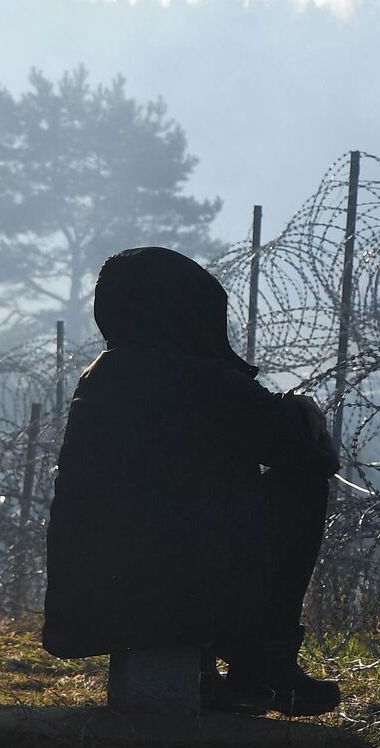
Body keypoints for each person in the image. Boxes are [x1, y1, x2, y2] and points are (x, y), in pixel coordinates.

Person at [41, 245, 343, 716]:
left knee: (186, 505)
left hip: (89, 604)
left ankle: (206, 671)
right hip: (180, 601)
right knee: (299, 487)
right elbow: (312, 457)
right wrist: (296, 411)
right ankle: (264, 661)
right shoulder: (205, 382)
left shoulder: (100, 379)